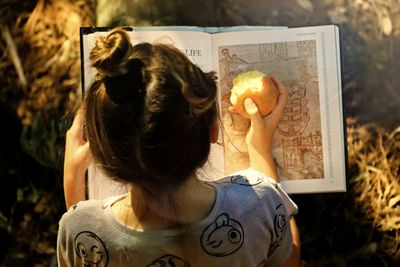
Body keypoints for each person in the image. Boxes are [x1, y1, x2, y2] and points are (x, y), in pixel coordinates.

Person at [58, 28, 300, 267]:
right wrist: (261, 154)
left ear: (103, 153)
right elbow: (289, 259)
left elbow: (86, 244)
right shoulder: (261, 203)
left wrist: (72, 179)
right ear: (213, 129)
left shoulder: (76, 228)